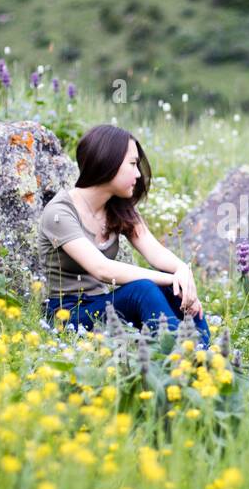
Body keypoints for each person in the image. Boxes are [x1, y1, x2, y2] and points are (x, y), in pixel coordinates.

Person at [38, 123, 211, 348]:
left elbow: (155, 252)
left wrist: (183, 274)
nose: (138, 174)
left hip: (101, 306)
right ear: (108, 161)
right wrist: (172, 278)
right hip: (68, 315)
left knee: (175, 288)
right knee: (145, 288)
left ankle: (208, 359)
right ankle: (180, 360)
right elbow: (102, 269)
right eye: (132, 164)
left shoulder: (117, 208)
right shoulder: (59, 213)